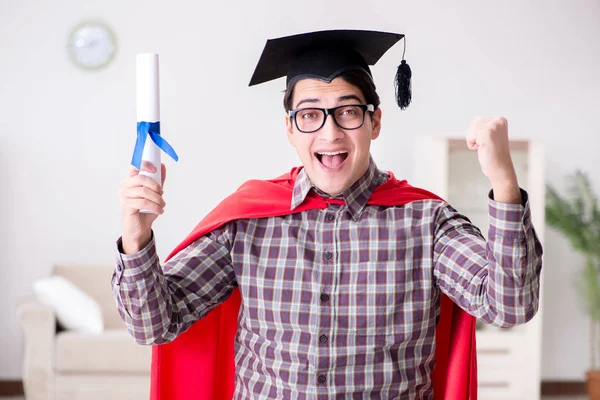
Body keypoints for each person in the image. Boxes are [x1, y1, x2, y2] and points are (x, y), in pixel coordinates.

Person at [113, 30, 543, 399]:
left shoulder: (425, 223)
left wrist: (504, 182)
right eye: (310, 115)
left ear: (375, 122)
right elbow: (154, 324)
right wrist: (136, 236)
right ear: (290, 129)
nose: (330, 132)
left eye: (348, 112)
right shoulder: (247, 223)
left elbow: (508, 306)